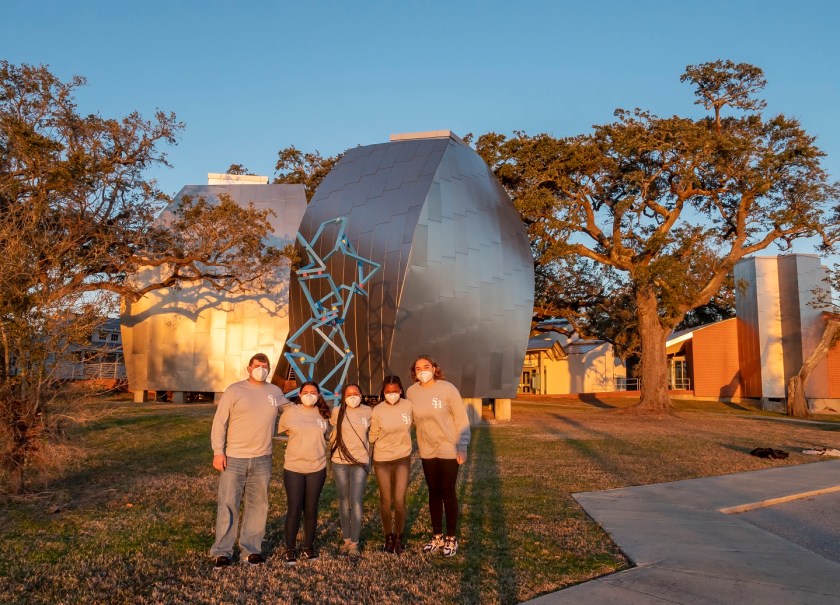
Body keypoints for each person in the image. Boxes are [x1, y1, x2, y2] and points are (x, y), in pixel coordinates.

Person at [209, 353, 290, 570]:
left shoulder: (274, 392)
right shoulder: (234, 390)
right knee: (228, 504)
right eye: (257, 366)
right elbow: (220, 422)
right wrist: (219, 451)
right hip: (235, 457)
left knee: (258, 505)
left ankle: (251, 549)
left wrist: (316, 408)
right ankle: (222, 551)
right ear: (249, 368)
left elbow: (291, 411)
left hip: (263, 458)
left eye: (265, 366)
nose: (261, 369)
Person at [406, 355, 470, 557]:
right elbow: (408, 420)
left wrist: (462, 445)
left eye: (426, 366)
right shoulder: (412, 392)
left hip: (449, 448)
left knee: (448, 492)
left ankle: (451, 537)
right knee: (433, 492)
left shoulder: (447, 388)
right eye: (418, 368)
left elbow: (461, 418)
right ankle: (437, 536)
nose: (422, 371)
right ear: (414, 373)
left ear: (434, 369)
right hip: (427, 449)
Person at [276, 380, 332, 566]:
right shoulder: (290, 413)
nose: (309, 395)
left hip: (317, 467)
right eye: (305, 392)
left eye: (313, 392)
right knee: (294, 510)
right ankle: (290, 549)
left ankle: (308, 547)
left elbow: (328, 435)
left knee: (311, 509)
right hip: (294, 468)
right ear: (299, 394)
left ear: (318, 395)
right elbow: (281, 431)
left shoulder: (323, 414)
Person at [369, 375, 412, 555]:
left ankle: (399, 536)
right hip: (382, 459)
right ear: (383, 392)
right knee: (386, 500)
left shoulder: (408, 406)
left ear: (400, 391)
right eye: (388, 392)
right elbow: (372, 436)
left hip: (402, 456)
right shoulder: (377, 410)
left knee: (399, 501)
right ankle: (388, 536)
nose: (392, 394)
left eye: (395, 391)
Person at [330, 383, 372, 563]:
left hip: (360, 461)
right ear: (343, 397)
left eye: (356, 393)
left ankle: (354, 544)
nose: (352, 396)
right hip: (339, 461)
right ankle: (346, 540)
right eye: (349, 394)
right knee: (343, 500)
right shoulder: (337, 411)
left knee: (355, 500)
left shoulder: (369, 412)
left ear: (361, 395)